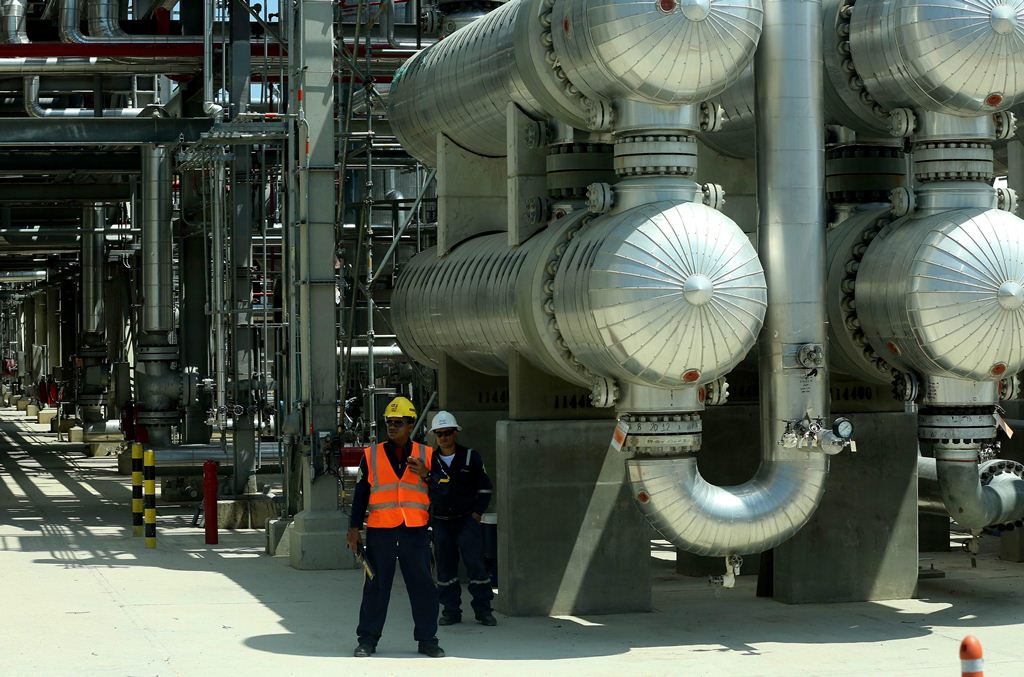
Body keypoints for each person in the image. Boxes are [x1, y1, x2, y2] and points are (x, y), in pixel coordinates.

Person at [347, 396, 445, 658]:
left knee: (423, 586)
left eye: (398, 423)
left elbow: (443, 492)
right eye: (389, 423)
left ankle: (427, 640)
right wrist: (354, 529)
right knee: (376, 586)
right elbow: (360, 495)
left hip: (415, 531)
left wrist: (426, 473)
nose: (392, 427)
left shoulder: (427, 455)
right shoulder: (372, 455)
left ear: (410, 424)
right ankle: (367, 639)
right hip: (382, 531)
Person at [428, 410, 496, 626]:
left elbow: (485, 488)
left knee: (475, 565)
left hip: (466, 521)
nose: (444, 438)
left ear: (455, 433)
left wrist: (476, 514)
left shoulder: (470, 457)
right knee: (446, 568)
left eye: (447, 433)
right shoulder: (430, 461)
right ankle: (450, 611)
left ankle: (483, 610)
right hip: (441, 522)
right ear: (435, 436)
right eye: (440, 434)